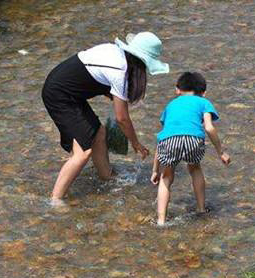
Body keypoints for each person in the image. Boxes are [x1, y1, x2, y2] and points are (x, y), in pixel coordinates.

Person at [42, 32, 169, 204]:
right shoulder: (120, 70)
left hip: (69, 93)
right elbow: (122, 118)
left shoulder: (117, 55)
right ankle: (55, 200)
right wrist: (136, 143)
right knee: (82, 153)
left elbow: (94, 80)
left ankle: (106, 176)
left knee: (98, 133)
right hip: (59, 94)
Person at [150, 72, 230, 226]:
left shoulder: (170, 106)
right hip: (193, 140)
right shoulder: (203, 102)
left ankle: (161, 220)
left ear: (177, 90)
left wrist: (155, 170)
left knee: (166, 176)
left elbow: (162, 137)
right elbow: (209, 127)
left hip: (169, 141)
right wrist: (221, 152)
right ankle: (200, 209)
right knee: (194, 168)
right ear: (203, 92)